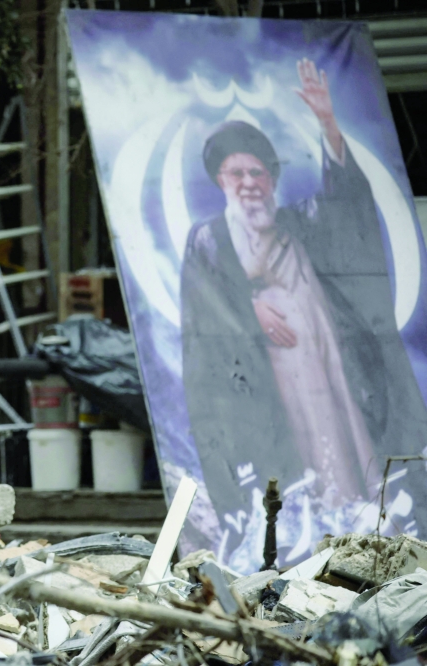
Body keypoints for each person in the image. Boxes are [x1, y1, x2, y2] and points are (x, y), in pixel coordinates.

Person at [181, 59, 427, 524]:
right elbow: (200, 318)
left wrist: (328, 125)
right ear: (221, 181)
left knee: (345, 450)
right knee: (291, 479)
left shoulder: (297, 222)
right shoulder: (208, 240)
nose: (249, 183)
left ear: (271, 179)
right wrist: (249, 310)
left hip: (326, 368)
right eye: (238, 174)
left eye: (257, 173)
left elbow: (344, 203)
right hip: (261, 386)